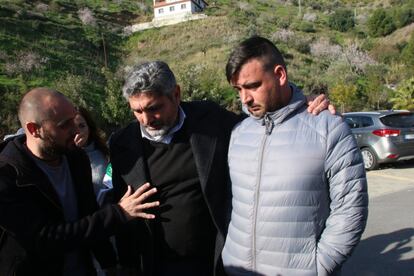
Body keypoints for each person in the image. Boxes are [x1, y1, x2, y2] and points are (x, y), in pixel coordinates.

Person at [109, 61, 333, 276]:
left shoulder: (210, 119)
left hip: (213, 260)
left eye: (154, 108)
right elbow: (122, 213)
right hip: (156, 265)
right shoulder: (122, 144)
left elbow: (262, 123)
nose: (146, 119)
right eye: (137, 111)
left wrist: (303, 104)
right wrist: (125, 263)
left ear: (176, 94)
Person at [221, 36, 368, 276]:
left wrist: (318, 268)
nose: (244, 99)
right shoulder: (239, 133)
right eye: (238, 89)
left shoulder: (329, 129)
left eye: (252, 86)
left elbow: (351, 210)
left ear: (280, 75)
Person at [0, 87, 159, 275]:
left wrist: (109, 263)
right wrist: (118, 213)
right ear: (34, 130)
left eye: (75, 120)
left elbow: (88, 210)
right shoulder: (8, 176)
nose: (76, 130)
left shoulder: (75, 157)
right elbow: (45, 239)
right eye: (64, 125)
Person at [74, 107, 112, 205]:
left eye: (81, 126)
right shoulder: (63, 159)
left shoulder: (104, 152)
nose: (78, 132)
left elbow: (110, 183)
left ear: (89, 127)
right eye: (73, 127)